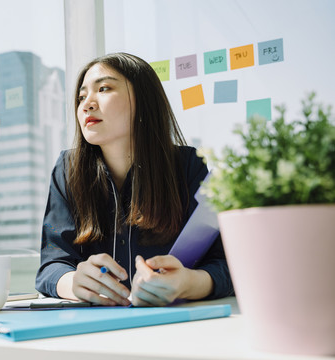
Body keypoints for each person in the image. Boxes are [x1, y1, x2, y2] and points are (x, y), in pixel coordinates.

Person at [35, 52, 233, 307]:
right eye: (82, 96)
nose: (87, 104)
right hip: (93, 329)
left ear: (143, 100)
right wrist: (73, 281)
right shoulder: (67, 169)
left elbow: (227, 265)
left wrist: (187, 283)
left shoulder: (188, 166)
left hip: (174, 326)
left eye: (103, 88)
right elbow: (51, 264)